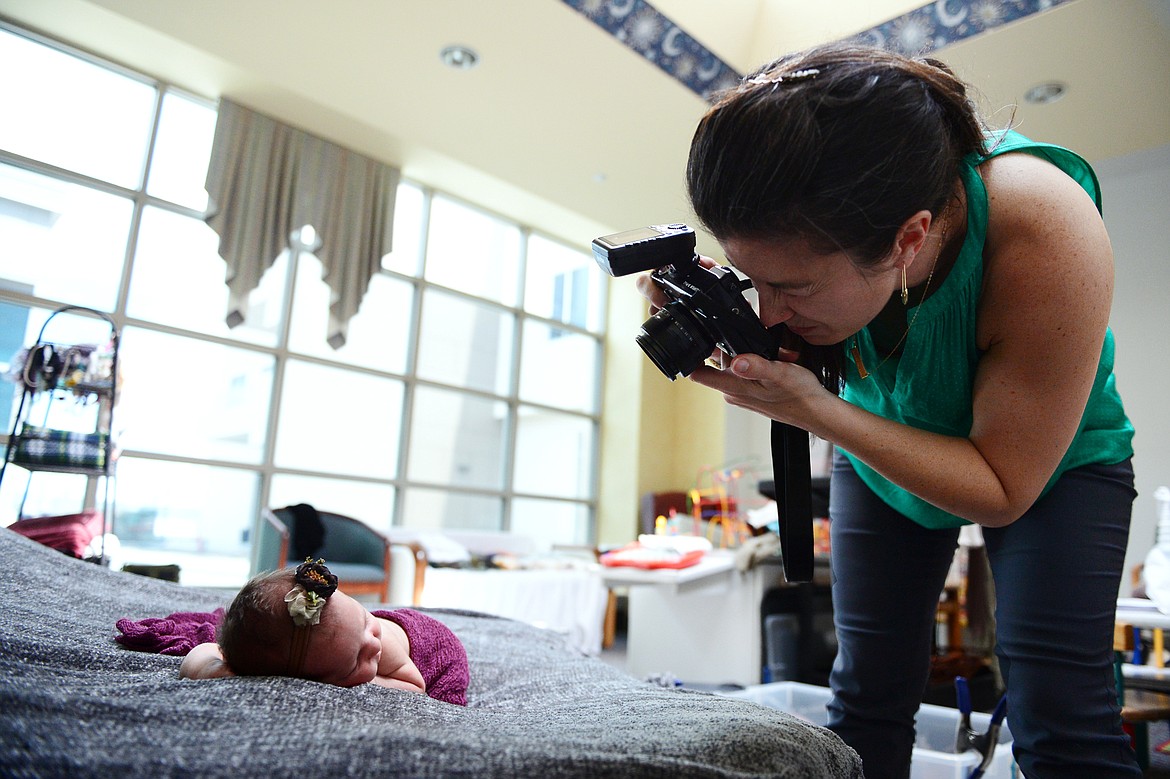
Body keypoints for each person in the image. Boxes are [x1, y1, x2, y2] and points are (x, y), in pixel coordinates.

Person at [638, 42, 1138, 777]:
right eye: (754, 279)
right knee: (865, 693)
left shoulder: (1045, 223)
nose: (772, 308)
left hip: (1050, 463)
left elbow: (1003, 486)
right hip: (882, 447)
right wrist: (719, 317)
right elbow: (805, 331)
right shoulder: (827, 244)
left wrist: (816, 412)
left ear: (909, 237)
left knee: (1061, 712)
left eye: (794, 287)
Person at [180, 559, 470, 706]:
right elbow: (199, 657)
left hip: (432, 647)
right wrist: (216, 670)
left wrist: (358, 677)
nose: (372, 643)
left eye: (362, 616)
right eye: (357, 659)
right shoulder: (328, 648)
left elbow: (416, 686)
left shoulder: (382, 639)